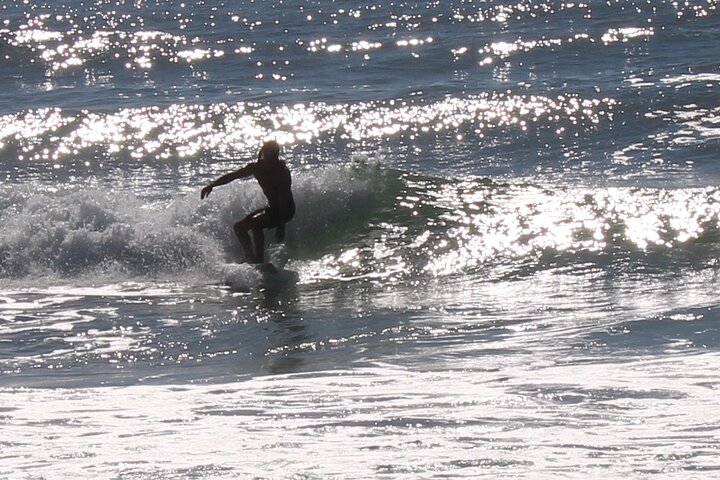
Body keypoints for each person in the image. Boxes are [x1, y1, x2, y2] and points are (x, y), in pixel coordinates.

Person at [200, 140, 295, 264]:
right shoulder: (256, 168)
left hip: (286, 210)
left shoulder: (282, 172)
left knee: (256, 224)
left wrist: (282, 225)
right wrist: (213, 184)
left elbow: (282, 198)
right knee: (239, 227)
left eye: (274, 155)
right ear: (263, 153)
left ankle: (259, 260)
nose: (271, 158)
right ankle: (250, 257)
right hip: (272, 209)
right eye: (268, 154)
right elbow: (233, 175)